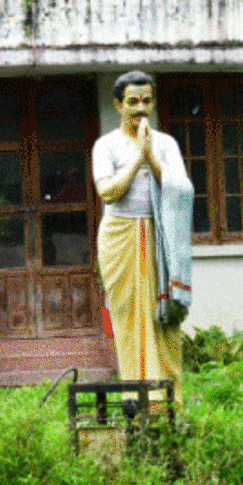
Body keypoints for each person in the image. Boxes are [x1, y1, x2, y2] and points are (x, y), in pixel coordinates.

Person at [91, 70, 193, 398]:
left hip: (160, 237)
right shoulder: (106, 145)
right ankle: (137, 399)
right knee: (129, 321)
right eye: (132, 102)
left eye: (147, 101)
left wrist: (153, 156)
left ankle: (169, 400)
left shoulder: (165, 144)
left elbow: (182, 190)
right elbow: (108, 193)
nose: (140, 109)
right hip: (120, 236)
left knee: (165, 321)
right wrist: (139, 158)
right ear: (118, 105)